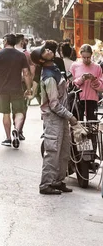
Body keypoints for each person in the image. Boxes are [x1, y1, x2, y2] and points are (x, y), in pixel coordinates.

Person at [31, 45, 81, 195]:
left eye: (47, 49)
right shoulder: (49, 77)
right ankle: (46, 184)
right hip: (53, 118)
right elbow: (53, 104)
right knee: (52, 152)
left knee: (64, 150)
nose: (48, 50)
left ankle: (58, 181)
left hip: (62, 116)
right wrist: (71, 117)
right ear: (41, 60)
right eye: (44, 51)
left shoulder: (55, 68)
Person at [0, 33, 32, 148]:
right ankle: (17, 129)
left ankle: (8, 138)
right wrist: (28, 89)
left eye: (3, 40)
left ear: (6, 41)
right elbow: (26, 73)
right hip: (17, 89)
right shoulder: (21, 55)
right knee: (20, 112)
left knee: (6, 113)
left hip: (2, 89)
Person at [70, 44, 103, 121]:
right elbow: (70, 84)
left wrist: (93, 80)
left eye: (88, 57)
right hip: (77, 98)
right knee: (78, 123)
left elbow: (101, 86)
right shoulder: (75, 66)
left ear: (91, 55)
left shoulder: (97, 67)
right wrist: (81, 79)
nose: (86, 59)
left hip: (92, 99)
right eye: (84, 57)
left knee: (92, 123)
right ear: (80, 55)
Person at [14, 33, 34, 141]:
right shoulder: (26, 54)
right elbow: (31, 71)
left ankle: (14, 126)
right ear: (22, 41)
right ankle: (19, 129)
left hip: (10, 83)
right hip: (22, 83)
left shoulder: (9, 53)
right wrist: (30, 86)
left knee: (13, 106)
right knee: (23, 107)